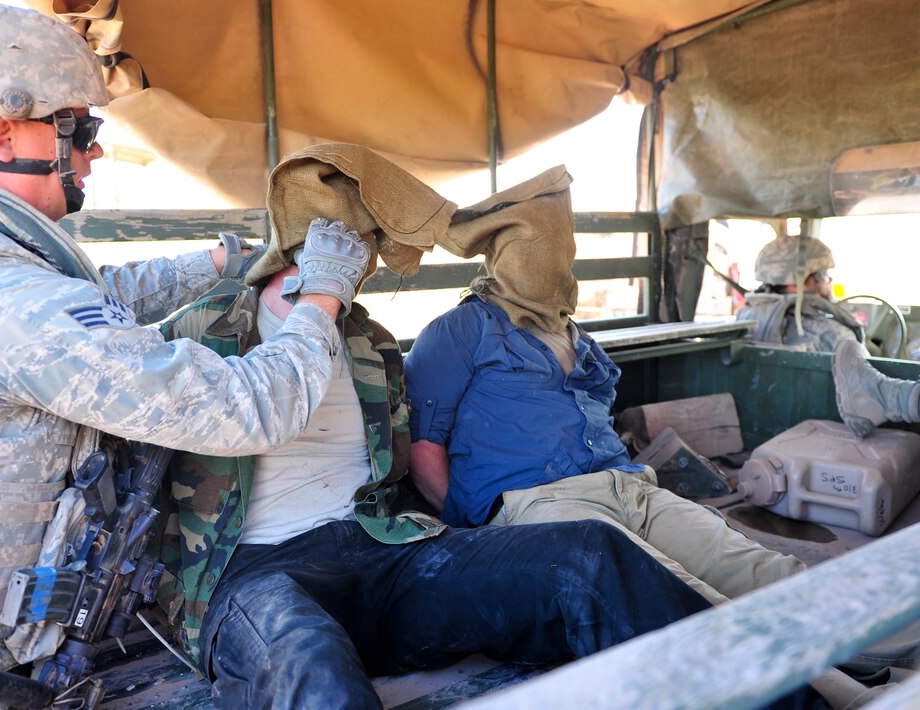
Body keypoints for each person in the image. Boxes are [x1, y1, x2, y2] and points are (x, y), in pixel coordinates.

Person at [0, 3, 375, 707]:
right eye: (80, 130)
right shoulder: (10, 306)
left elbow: (87, 298)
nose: (94, 154)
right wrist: (322, 297)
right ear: (2, 135)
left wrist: (217, 261)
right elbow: (251, 409)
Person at [157, 234, 714, 707]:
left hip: (377, 544)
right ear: (303, 246)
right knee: (312, 664)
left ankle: (765, 687)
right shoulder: (199, 327)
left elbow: (408, 458)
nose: (368, 258)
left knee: (589, 554)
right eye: (357, 241)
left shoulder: (369, 341)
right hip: (256, 569)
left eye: (370, 242)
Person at [406, 167, 807, 606]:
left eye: (560, 246)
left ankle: (888, 654)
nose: (549, 261)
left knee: (766, 569)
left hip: (629, 487)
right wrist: (482, 535)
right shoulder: (461, 330)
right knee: (688, 599)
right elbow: (424, 449)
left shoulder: (578, 337)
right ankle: (825, 678)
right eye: (532, 247)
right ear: (502, 255)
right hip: (540, 503)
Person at [734, 226, 863, 353]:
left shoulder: (744, 318)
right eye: (825, 275)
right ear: (798, 283)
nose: (829, 282)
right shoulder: (835, 335)